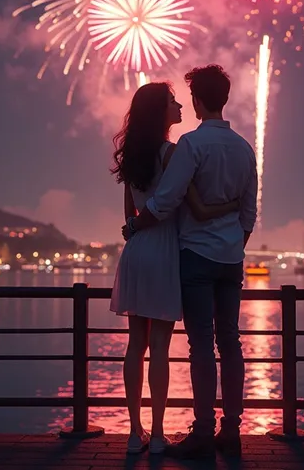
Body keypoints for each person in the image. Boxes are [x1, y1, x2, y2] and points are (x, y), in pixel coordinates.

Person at [125, 65, 258, 459]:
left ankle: (203, 431)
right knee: (230, 341)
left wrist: (135, 225)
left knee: (201, 345)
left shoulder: (192, 146)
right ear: (225, 98)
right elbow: (249, 213)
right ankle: (232, 429)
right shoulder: (245, 149)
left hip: (195, 256)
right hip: (231, 258)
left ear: (198, 101)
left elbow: (165, 201)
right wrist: (234, 242)